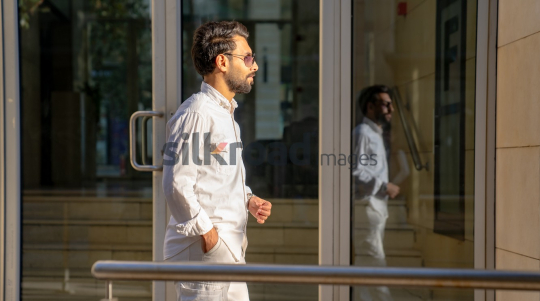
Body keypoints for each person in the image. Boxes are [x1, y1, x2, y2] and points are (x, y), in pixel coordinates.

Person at [162, 21, 272, 301]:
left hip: (226, 251)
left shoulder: (225, 113)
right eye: (248, 57)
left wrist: (248, 199)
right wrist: (209, 236)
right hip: (206, 252)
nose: (254, 66)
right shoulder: (197, 113)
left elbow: (216, 176)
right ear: (222, 61)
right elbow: (176, 184)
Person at [352, 85, 400, 301]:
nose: (391, 108)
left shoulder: (375, 133)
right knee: (375, 264)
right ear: (370, 106)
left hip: (375, 208)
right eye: (385, 103)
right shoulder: (363, 132)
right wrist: (384, 186)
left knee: (365, 267)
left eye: (391, 104)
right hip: (367, 207)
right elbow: (354, 170)